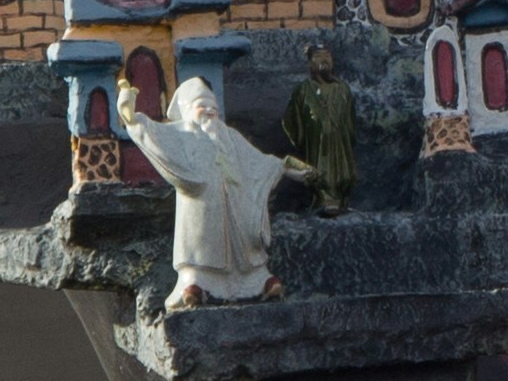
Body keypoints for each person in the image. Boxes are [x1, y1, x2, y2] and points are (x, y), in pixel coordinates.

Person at [117, 73, 300, 304]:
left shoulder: (229, 136)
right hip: (201, 204)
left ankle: (258, 280)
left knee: (247, 250)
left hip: (235, 203)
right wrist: (130, 115)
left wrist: (285, 167)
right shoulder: (180, 133)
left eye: (212, 105)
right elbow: (150, 132)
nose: (209, 110)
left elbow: (258, 162)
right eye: (201, 106)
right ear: (188, 110)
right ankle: (195, 285)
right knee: (199, 250)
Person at [279, 41, 358, 218]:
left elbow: (350, 117)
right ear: (309, 63)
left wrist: (347, 135)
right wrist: (303, 136)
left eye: (327, 56)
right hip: (316, 141)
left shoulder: (342, 88)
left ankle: (339, 197)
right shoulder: (303, 90)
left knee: (344, 171)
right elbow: (291, 119)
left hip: (339, 141)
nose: (324, 61)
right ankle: (323, 197)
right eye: (318, 57)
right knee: (317, 171)